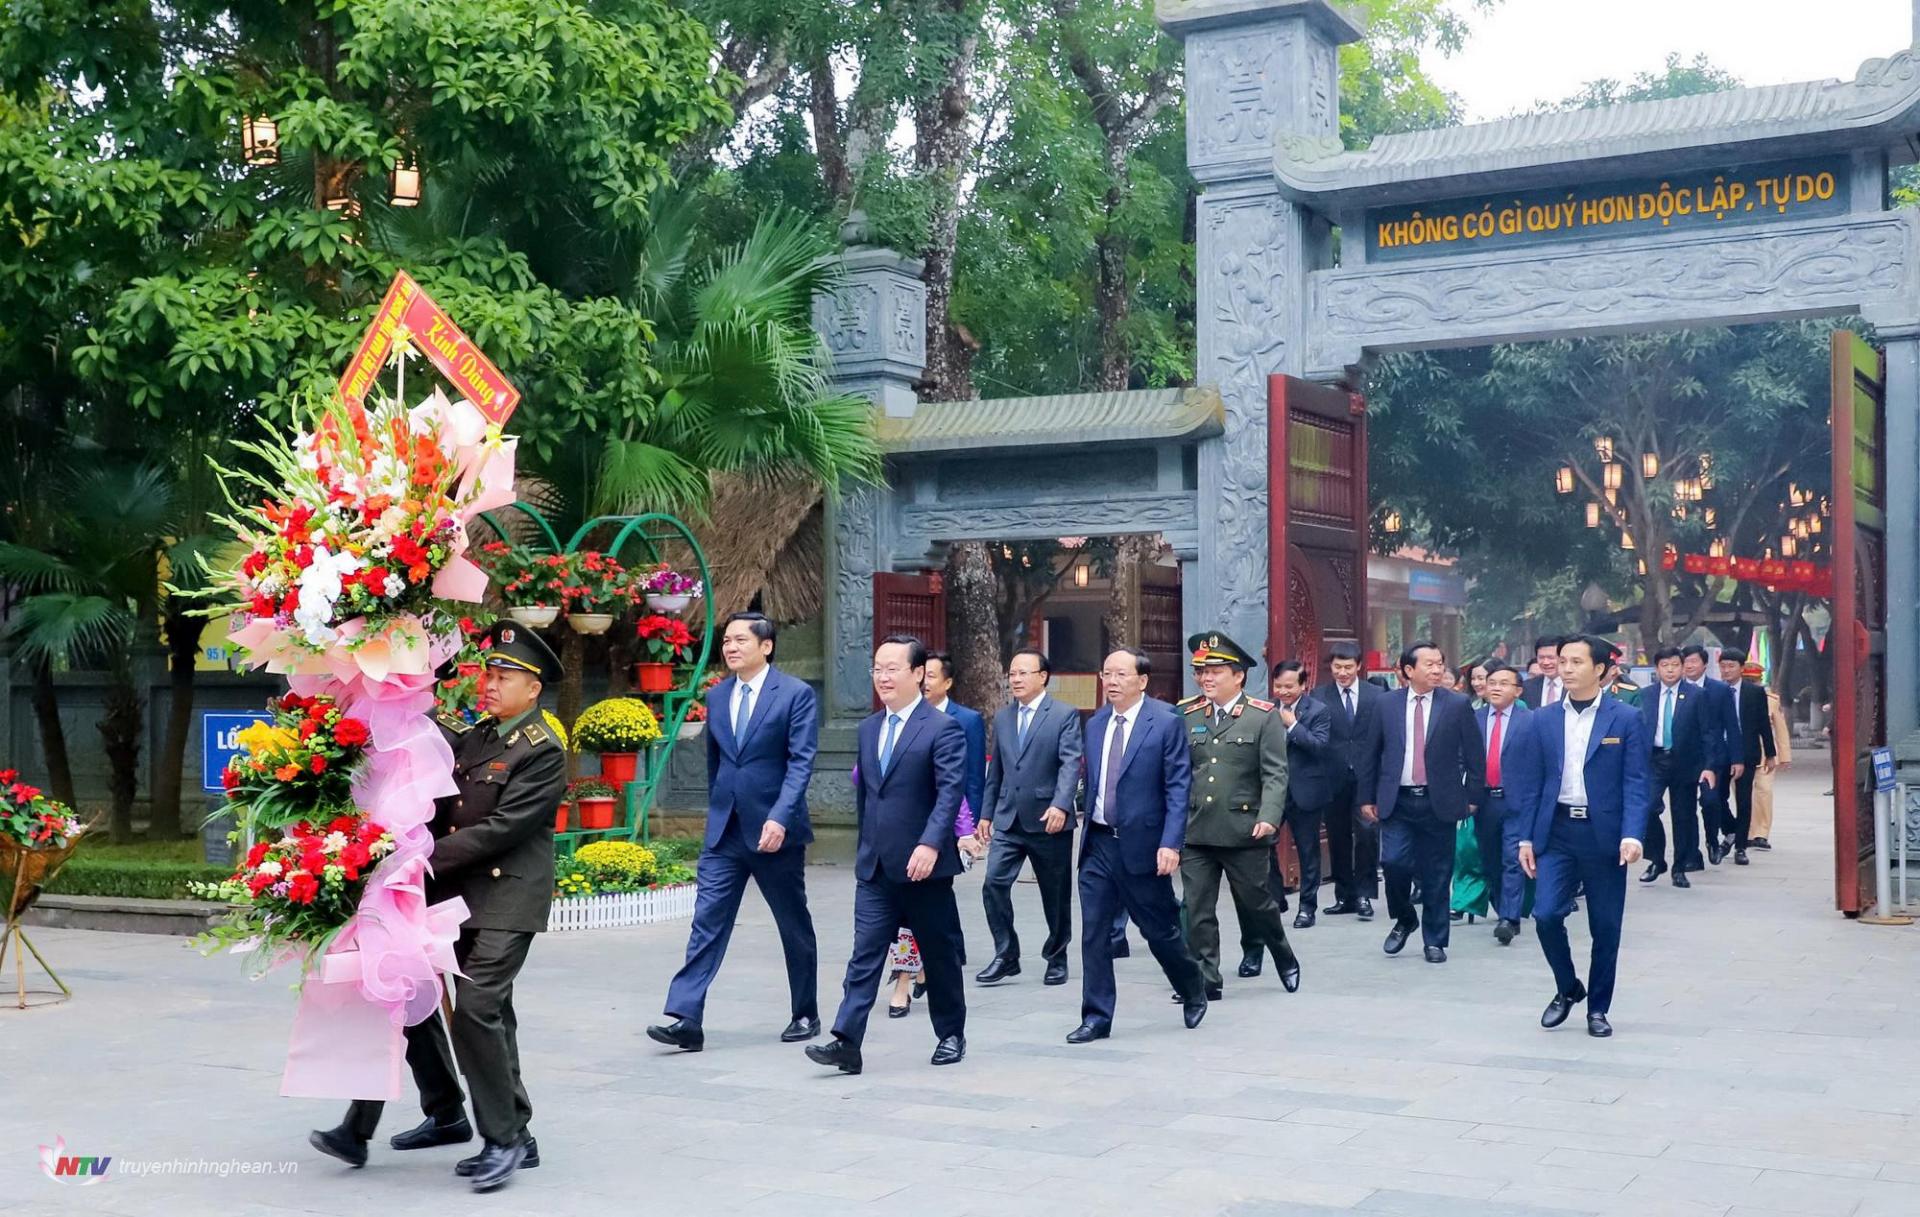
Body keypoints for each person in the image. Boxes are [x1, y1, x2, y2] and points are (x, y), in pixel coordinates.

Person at [312, 625, 567, 1192]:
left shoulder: (544, 749)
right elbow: (413, 759)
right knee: (410, 994)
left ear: (533, 687)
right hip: (447, 894)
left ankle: (504, 1138)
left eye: (504, 677)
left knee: (477, 1007)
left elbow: (503, 829)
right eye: (488, 673)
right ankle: (457, 1113)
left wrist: (413, 857)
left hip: (505, 896)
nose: (490, 684)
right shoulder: (476, 737)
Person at [649, 613, 820, 1054]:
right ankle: (686, 1017)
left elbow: (801, 762)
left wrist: (780, 817)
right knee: (707, 922)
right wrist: (718, 810)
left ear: (766, 646)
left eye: (740, 640)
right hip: (725, 833)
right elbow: (717, 763)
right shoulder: (719, 694)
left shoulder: (796, 695)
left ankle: (805, 1011)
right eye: (726, 640)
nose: (730, 647)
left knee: (792, 924)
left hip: (774, 831)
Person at [807, 635, 968, 1075]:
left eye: (893, 667)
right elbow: (868, 799)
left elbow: (949, 792)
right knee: (864, 954)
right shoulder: (868, 728)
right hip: (876, 866)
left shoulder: (941, 728)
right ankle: (846, 1040)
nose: (883, 676)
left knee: (937, 953)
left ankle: (951, 1033)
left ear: (918, 674)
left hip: (924, 868)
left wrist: (931, 843)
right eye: (878, 667)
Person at [1509, 635, 1650, 1038]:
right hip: (1556, 832)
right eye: (1563, 661)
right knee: (1546, 914)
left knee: (1605, 925)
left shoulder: (1624, 719)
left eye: (1576, 662)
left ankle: (1599, 1009)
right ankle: (1568, 987)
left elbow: (1637, 780)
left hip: (1604, 836)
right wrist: (1524, 839)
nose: (1566, 668)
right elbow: (1532, 783)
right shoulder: (1543, 719)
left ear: (1601, 670)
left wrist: (1633, 834)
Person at [1068, 647, 1208, 1043]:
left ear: (1142, 681)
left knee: (1159, 930)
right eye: (1106, 674)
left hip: (1144, 846)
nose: (1111, 682)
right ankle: (1096, 1016)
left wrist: (1170, 843)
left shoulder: (1165, 723)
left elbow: (1178, 787)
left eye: (1120, 675)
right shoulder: (1095, 724)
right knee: (1094, 932)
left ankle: (1192, 984)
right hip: (1097, 844)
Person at [1174, 633, 1301, 1002]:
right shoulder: (1188, 714)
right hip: (1197, 828)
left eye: (1215, 671)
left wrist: (1270, 816)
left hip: (1244, 828)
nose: (1206, 679)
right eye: (1201, 672)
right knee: (1197, 907)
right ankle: (1205, 977)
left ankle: (1282, 954)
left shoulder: (1263, 717)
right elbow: (1180, 772)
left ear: (1238, 676)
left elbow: (1275, 774)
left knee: (1256, 903)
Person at [1358, 641, 1485, 963]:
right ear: (1407, 670)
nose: (1437, 669)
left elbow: (1474, 755)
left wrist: (1472, 797)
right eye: (1428, 664)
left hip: (1438, 801)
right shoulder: (1386, 704)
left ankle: (1435, 940)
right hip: (1397, 800)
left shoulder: (1456, 705)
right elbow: (1370, 754)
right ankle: (1405, 918)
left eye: (1440, 663)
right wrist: (1366, 797)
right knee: (1394, 864)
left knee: (1438, 873)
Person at [975, 648, 1084, 987]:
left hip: (1048, 819)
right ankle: (1006, 953)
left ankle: (1057, 955)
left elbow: (1070, 763)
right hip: (1008, 819)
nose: (1016, 679)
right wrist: (986, 813)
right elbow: (998, 770)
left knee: (1055, 893)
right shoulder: (1004, 717)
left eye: (1023, 673)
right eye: (1012, 673)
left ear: (1042, 677)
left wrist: (1062, 804)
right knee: (993, 884)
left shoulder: (1063, 715)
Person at [1241, 660, 1333, 944]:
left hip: (1305, 791)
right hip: (1271, 792)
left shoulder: (1318, 711)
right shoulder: (1264, 709)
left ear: (1303, 685)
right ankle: (1276, 897)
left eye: (1289, 686)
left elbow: (1320, 747)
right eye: (1278, 686)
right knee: (1261, 843)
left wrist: (1292, 725)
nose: (1283, 691)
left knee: (1307, 852)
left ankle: (1307, 907)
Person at [1636, 646, 1721, 889]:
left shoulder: (1696, 695)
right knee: (1648, 807)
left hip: (1686, 763)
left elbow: (1709, 733)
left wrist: (1709, 766)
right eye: (1665, 665)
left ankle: (1679, 867)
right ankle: (1656, 858)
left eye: (1675, 665)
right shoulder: (1646, 695)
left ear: (1682, 667)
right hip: (1654, 761)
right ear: (1657, 669)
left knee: (1683, 816)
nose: (1670, 670)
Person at [1312, 642, 1382, 921]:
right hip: (1333, 776)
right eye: (1337, 667)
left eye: (1348, 667)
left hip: (1367, 776)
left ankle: (1365, 894)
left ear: (1359, 667)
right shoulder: (1319, 696)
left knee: (1366, 834)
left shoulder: (1376, 695)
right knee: (1338, 837)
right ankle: (1346, 895)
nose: (1342, 672)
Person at [1476, 662, 1533, 945]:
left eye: (1503, 683)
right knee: (1490, 860)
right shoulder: (1473, 719)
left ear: (1518, 690)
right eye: (1492, 682)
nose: (1496, 687)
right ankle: (1503, 908)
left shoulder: (1530, 721)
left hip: (1517, 802)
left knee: (1512, 859)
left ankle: (1509, 918)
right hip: (1483, 802)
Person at [1716, 647, 1777, 865]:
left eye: (1731, 666)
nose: (1726, 670)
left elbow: (1764, 725)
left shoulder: (1754, 693)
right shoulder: (1713, 691)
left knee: (1744, 799)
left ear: (1742, 668)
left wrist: (1770, 753)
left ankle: (1740, 846)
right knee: (1715, 797)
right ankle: (1730, 829)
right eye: (1723, 666)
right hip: (1720, 753)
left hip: (1747, 752)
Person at [1680, 644, 1736, 864]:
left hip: (1713, 757)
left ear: (1704, 664)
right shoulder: (1676, 689)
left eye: (1694, 661)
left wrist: (1737, 758)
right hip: (1684, 759)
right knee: (1684, 808)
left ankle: (1713, 840)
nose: (1689, 665)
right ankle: (1690, 852)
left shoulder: (1720, 690)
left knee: (1711, 800)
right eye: (1685, 662)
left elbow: (1732, 726)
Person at [924, 651, 987, 827]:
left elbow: (975, 777)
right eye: (921, 675)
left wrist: (970, 824)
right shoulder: (907, 717)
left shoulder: (968, 720)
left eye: (930, 676)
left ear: (947, 682)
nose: (924, 682)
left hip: (953, 816)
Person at [1747, 660, 1789, 850]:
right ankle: (1746, 832)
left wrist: (1784, 755)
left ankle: (1761, 834)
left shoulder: (1771, 701)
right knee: (1743, 795)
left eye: (1754, 680)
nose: (1751, 683)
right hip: (1741, 754)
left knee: (1764, 792)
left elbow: (1780, 730)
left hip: (1765, 755)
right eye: (1747, 679)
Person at [1522, 636, 1565, 708]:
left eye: (1551, 657)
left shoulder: (1575, 686)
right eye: (1541, 657)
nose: (1546, 662)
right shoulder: (1526, 687)